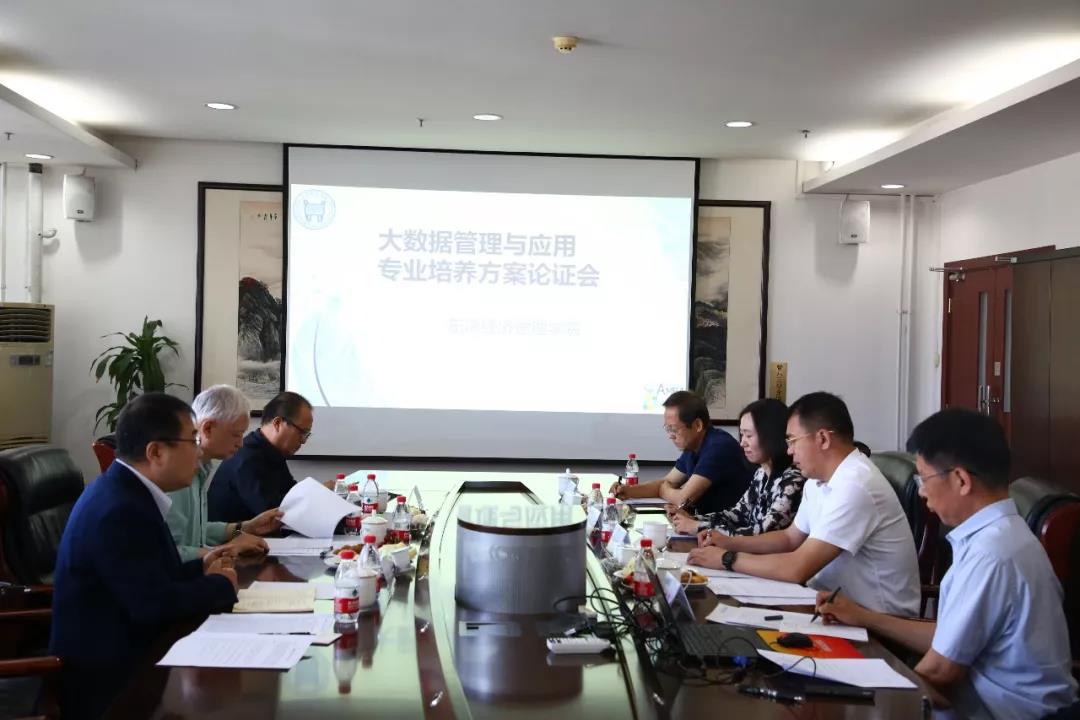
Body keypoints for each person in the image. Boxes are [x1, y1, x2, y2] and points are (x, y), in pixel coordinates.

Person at [815, 408, 1078, 719]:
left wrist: (860, 697)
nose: (922, 492)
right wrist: (862, 617)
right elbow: (950, 638)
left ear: (961, 480)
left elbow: (941, 669)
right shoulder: (999, 536)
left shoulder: (992, 554)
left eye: (923, 478)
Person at [49, 393, 239, 719]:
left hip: (131, 655)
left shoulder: (127, 491)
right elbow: (152, 605)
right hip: (110, 682)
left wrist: (201, 567)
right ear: (156, 452)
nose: (199, 452)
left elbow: (151, 575)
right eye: (193, 441)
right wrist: (221, 585)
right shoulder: (119, 509)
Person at [687, 391, 920, 616]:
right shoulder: (817, 481)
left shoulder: (856, 485)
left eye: (792, 441)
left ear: (822, 439)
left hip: (872, 622)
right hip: (825, 604)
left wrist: (727, 558)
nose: (789, 450)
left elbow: (797, 568)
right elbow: (790, 538)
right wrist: (729, 541)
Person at [166, 384, 284, 561]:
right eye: (236, 434)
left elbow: (197, 532)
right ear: (207, 428)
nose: (240, 444)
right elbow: (168, 553)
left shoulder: (202, 467)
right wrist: (226, 550)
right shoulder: (176, 474)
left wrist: (246, 528)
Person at [667, 398, 806, 536]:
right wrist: (694, 519)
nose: (742, 443)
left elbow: (762, 534)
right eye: (742, 435)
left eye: (749, 435)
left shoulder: (792, 480)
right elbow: (737, 514)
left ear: (771, 436)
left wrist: (698, 526)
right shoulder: (761, 473)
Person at [612, 390, 750, 514]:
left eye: (674, 429)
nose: (670, 436)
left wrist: (664, 490)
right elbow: (666, 481)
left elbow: (683, 499)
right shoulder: (693, 446)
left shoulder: (719, 447)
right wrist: (629, 491)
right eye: (668, 429)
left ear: (697, 425)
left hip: (729, 527)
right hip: (706, 522)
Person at [208, 391, 312, 523]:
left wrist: (317, 493)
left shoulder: (273, 452)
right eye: (301, 432)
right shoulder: (247, 457)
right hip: (232, 534)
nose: (303, 441)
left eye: (307, 434)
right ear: (277, 423)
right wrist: (314, 495)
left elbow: (290, 494)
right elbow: (274, 514)